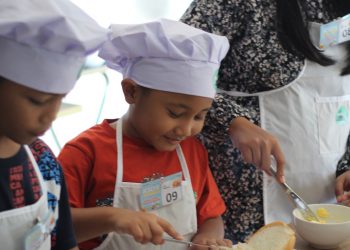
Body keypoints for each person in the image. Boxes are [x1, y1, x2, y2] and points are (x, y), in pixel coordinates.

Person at [181, 0, 350, 243]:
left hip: (327, 208)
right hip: (240, 207)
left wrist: (347, 165)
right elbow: (173, 65)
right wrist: (233, 120)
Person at [58, 18, 231, 250]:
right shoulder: (85, 153)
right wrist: (113, 217)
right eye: (175, 113)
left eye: (199, 116)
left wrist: (208, 238)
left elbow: (210, 216)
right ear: (131, 92)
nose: (187, 129)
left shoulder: (191, 150)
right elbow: (54, 229)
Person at [0, 0, 108, 249]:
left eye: (60, 100)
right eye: (38, 101)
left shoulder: (43, 161)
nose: (51, 116)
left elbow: (63, 240)